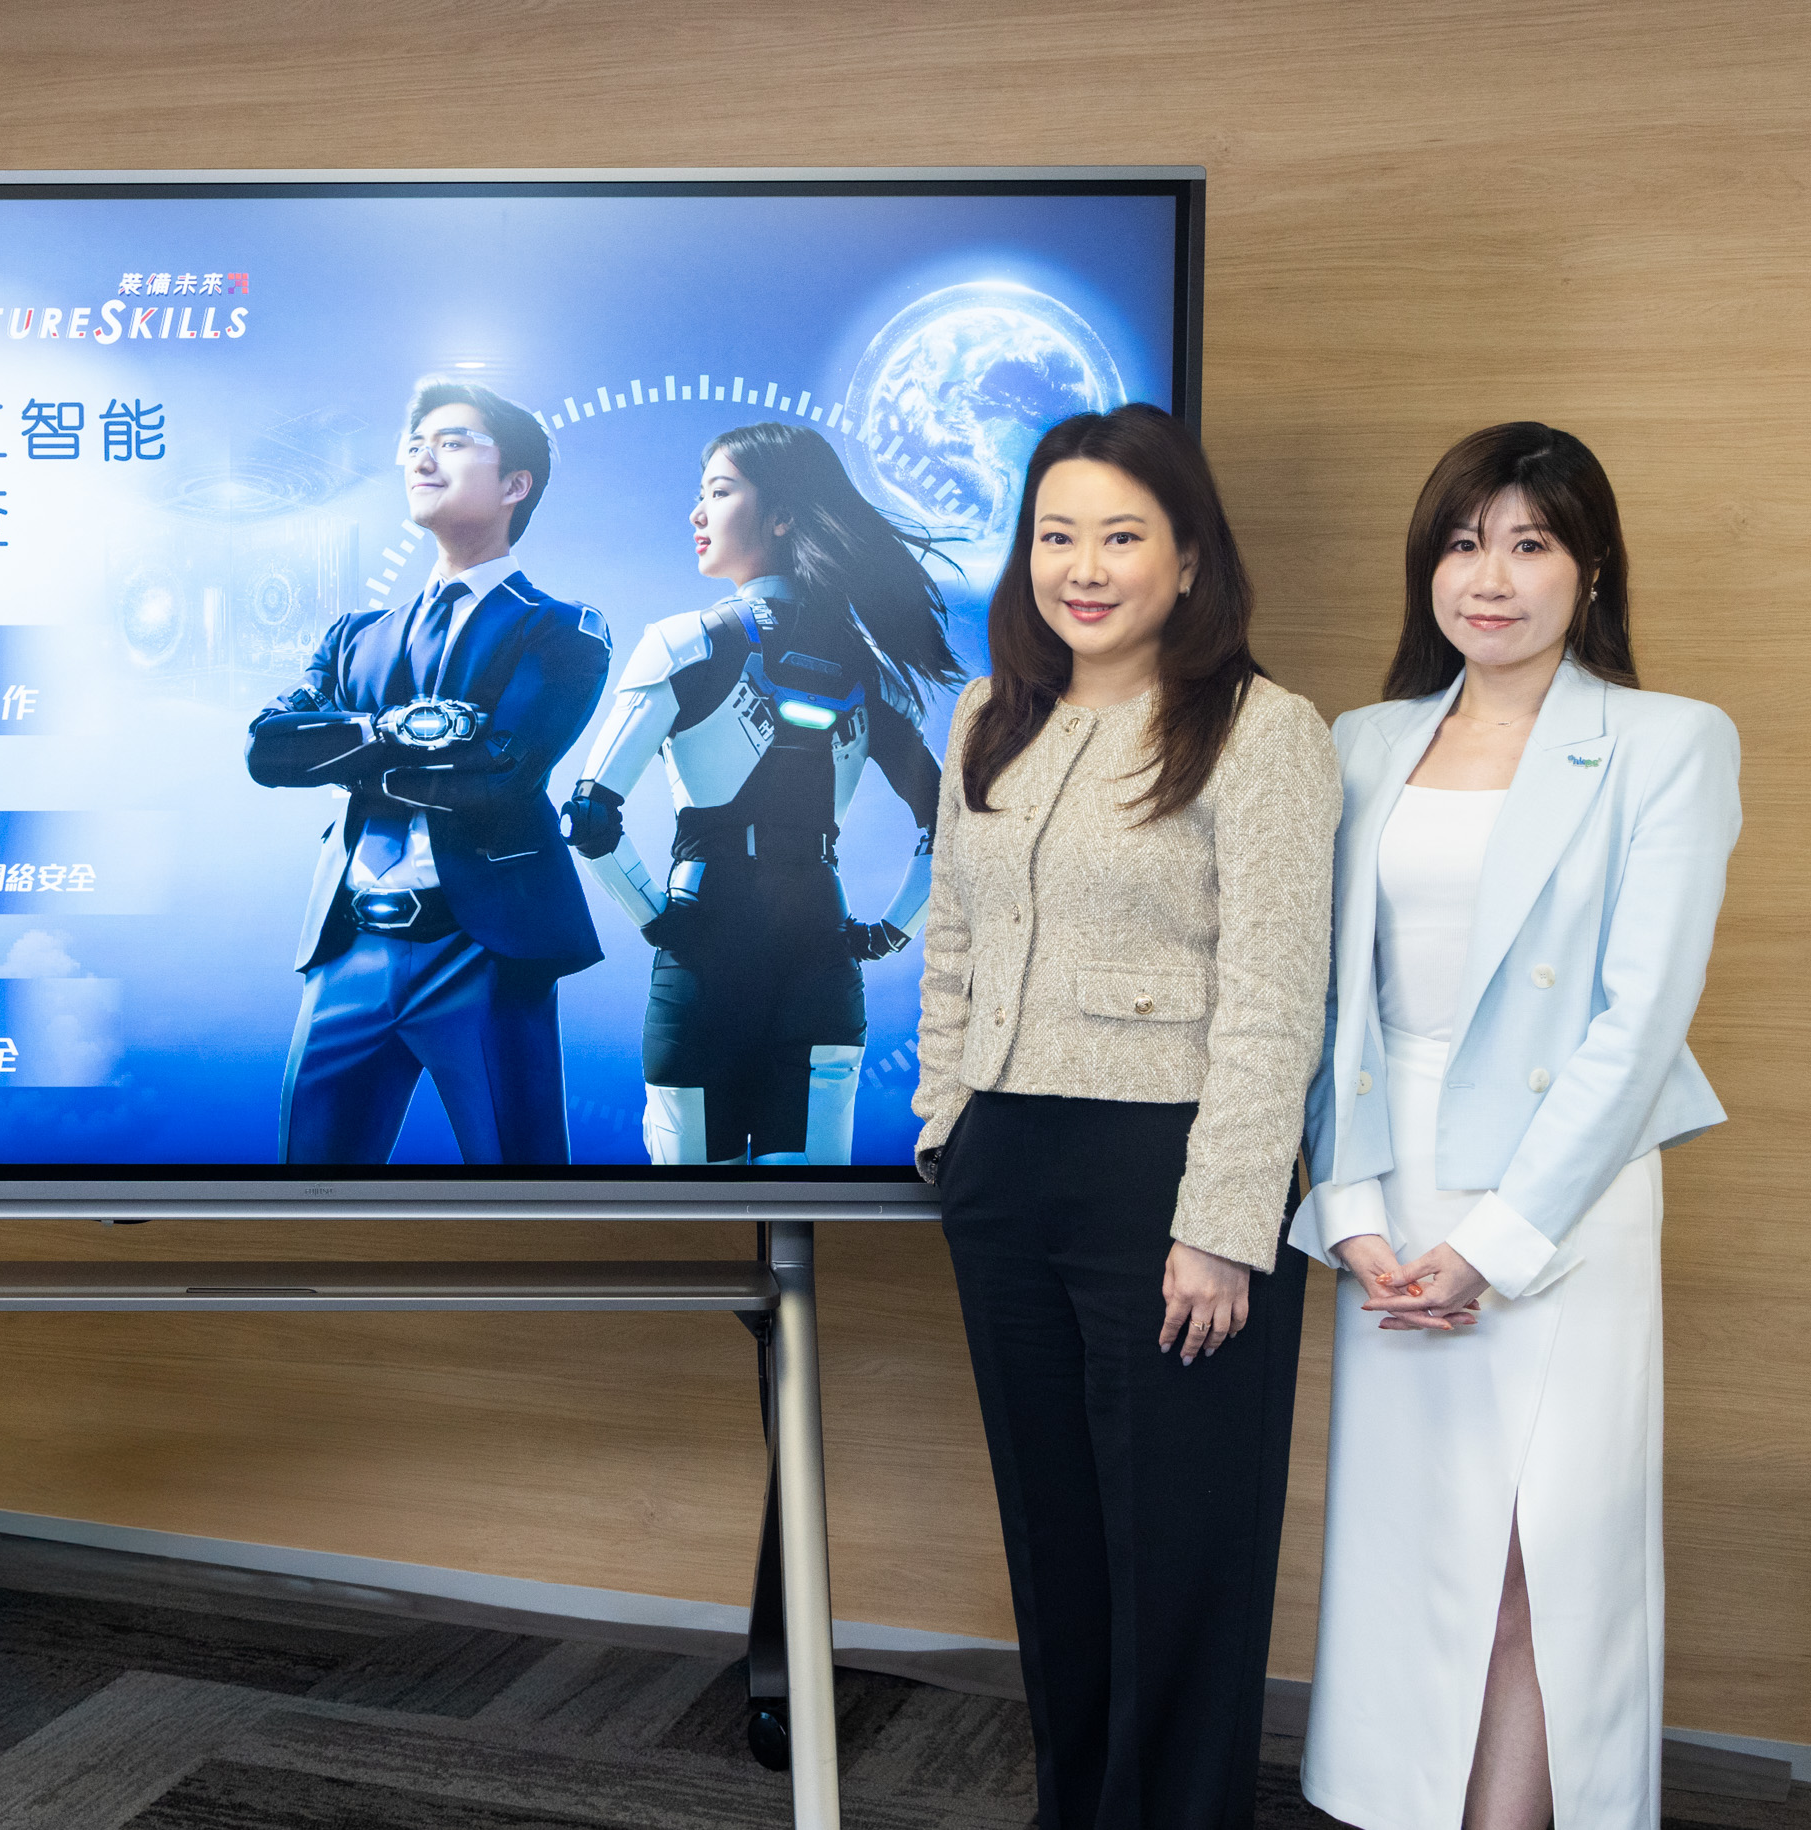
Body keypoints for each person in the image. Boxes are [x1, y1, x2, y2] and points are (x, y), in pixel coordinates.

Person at [1294, 424, 1738, 1830]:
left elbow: (1638, 1019)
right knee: (1418, 1558)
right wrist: (1353, 1211)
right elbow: (1324, 1003)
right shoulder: (1359, 742)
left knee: (1538, 1563)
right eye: (1465, 542)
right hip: (1391, 1177)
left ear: (1590, 567)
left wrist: (1494, 1241)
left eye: (1531, 543)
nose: (1492, 576)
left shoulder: (1668, 741)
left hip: (1565, 1201)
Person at [912, 403, 1336, 1829]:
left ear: (1191, 557)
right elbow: (951, 937)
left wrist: (1227, 1225)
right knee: (1057, 1541)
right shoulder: (992, 713)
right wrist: (943, 1121)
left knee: (1181, 1555)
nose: (1082, 566)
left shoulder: (1265, 731)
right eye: (1056, 534)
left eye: (1120, 535)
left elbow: (1278, 994)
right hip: (1006, 1165)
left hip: (1170, 1174)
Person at [562, 421, 958, 1164]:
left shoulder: (687, 643)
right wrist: (888, 934)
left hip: (704, 957)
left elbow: (588, 817)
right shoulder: (869, 672)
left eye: (718, 491)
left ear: (781, 515)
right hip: (823, 955)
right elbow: (953, 829)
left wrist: (657, 919)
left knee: (692, 1228)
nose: (697, 514)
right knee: (802, 1223)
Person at [245, 377, 612, 1163]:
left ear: (516, 484)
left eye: (453, 440)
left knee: (525, 1203)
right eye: (416, 441)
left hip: (481, 951)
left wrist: (347, 754)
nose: (422, 454)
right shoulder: (356, 635)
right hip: (347, 951)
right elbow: (269, 751)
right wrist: (397, 728)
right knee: (307, 1196)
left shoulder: (565, 630)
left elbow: (497, 773)